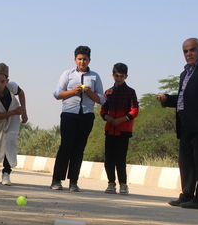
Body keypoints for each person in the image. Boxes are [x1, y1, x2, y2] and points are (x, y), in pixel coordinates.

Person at [156, 38, 198, 210]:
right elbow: (183, 99)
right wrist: (167, 99)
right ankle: (187, 195)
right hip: (186, 125)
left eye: (192, 50)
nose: (189, 54)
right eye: (185, 51)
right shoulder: (185, 73)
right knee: (186, 162)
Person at [51, 45, 105, 192]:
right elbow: (57, 94)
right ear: (75, 60)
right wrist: (73, 92)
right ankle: (57, 180)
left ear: (89, 60)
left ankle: (73, 182)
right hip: (69, 114)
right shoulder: (67, 74)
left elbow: (102, 99)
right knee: (66, 146)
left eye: (85, 59)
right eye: (80, 59)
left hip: (86, 115)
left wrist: (90, 93)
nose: (82, 62)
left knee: (79, 148)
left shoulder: (95, 76)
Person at [101, 63, 139, 195]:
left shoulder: (130, 92)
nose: (118, 78)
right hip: (110, 129)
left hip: (124, 131)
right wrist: (108, 118)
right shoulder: (108, 92)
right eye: (116, 76)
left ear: (126, 77)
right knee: (108, 159)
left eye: (121, 76)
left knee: (120, 159)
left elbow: (134, 111)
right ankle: (111, 183)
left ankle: (123, 184)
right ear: (112, 75)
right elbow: (102, 110)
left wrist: (122, 119)